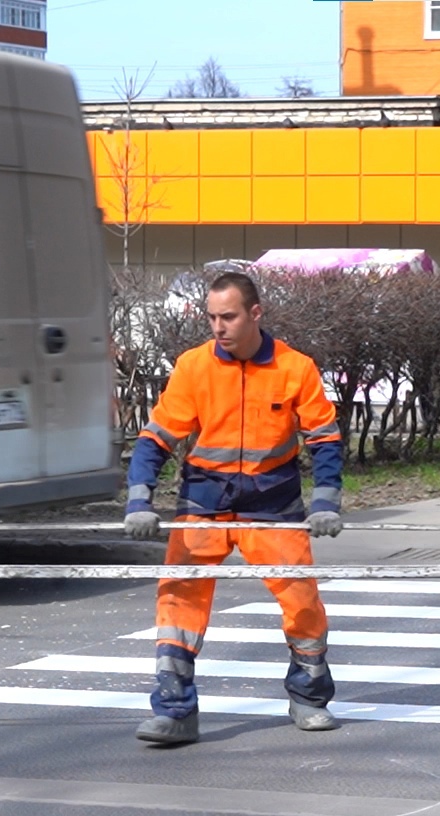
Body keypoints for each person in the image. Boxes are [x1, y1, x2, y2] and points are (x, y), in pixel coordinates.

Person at [123, 272, 345, 746]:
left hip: (272, 499)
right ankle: (176, 710)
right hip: (205, 496)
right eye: (212, 317)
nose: (218, 327)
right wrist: (139, 497)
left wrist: (327, 499)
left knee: (300, 599)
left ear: (255, 314)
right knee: (179, 599)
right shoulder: (193, 366)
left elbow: (324, 438)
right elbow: (157, 438)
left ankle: (309, 696)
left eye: (228, 316)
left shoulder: (295, 368)